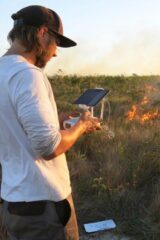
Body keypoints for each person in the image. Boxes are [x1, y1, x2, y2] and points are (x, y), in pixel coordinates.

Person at [0, 5, 100, 240]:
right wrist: (82, 125)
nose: (55, 53)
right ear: (42, 33)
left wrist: (54, 121)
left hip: (13, 202)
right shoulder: (27, 74)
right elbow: (48, 147)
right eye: (56, 42)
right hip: (43, 208)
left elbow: (11, 127)